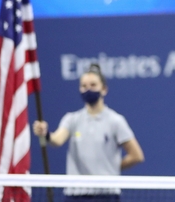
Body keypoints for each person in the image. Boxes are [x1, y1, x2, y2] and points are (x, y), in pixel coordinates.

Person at [32, 64, 144, 202]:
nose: (88, 89)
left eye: (93, 85)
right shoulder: (72, 119)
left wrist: (111, 167)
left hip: (106, 194)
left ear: (104, 89)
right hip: (76, 194)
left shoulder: (116, 121)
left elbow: (137, 155)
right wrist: (46, 133)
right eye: (84, 86)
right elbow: (57, 140)